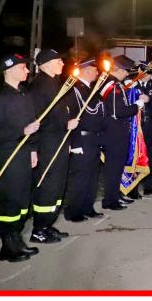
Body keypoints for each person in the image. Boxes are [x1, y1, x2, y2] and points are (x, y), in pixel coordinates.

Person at [0, 54, 41, 262]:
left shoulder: (24, 95)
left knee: (23, 199)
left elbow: (32, 125)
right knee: (11, 200)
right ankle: (8, 245)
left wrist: (33, 149)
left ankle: (16, 239)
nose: (27, 71)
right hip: (8, 155)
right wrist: (22, 131)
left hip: (24, 154)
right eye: (23, 68)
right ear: (9, 70)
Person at [29, 48, 78, 243]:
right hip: (48, 143)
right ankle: (39, 229)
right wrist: (66, 125)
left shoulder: (54, 83)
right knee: (48, 186)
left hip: (59, 141)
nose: (62, 64)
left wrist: (67, 136)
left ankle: (48, 224)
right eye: (58, 61)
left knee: (58, 185)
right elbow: (39, 118)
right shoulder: (39, 87)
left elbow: (61, 112)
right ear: (46, 64)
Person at [100, 55, 149, 211]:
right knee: (113, 168)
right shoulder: (111, 86)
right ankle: (110, 200)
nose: (127, 74)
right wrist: (139, 104)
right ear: (118, 69)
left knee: (118, 167)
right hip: (113, 133)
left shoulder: (116, 84)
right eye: (125, 70)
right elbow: (119, 111)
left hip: (119, 132)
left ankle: (116, 195)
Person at [64, 58, 106, 223]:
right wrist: (75, 143)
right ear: (87, 71)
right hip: (82, 138)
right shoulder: (73, 90)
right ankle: (74, 211)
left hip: (94, 138)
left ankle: (88, 207)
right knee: (80, 177)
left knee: (92, 176)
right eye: (95, 70)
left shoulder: (91, 89)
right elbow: (71, 117)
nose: (98, 73)